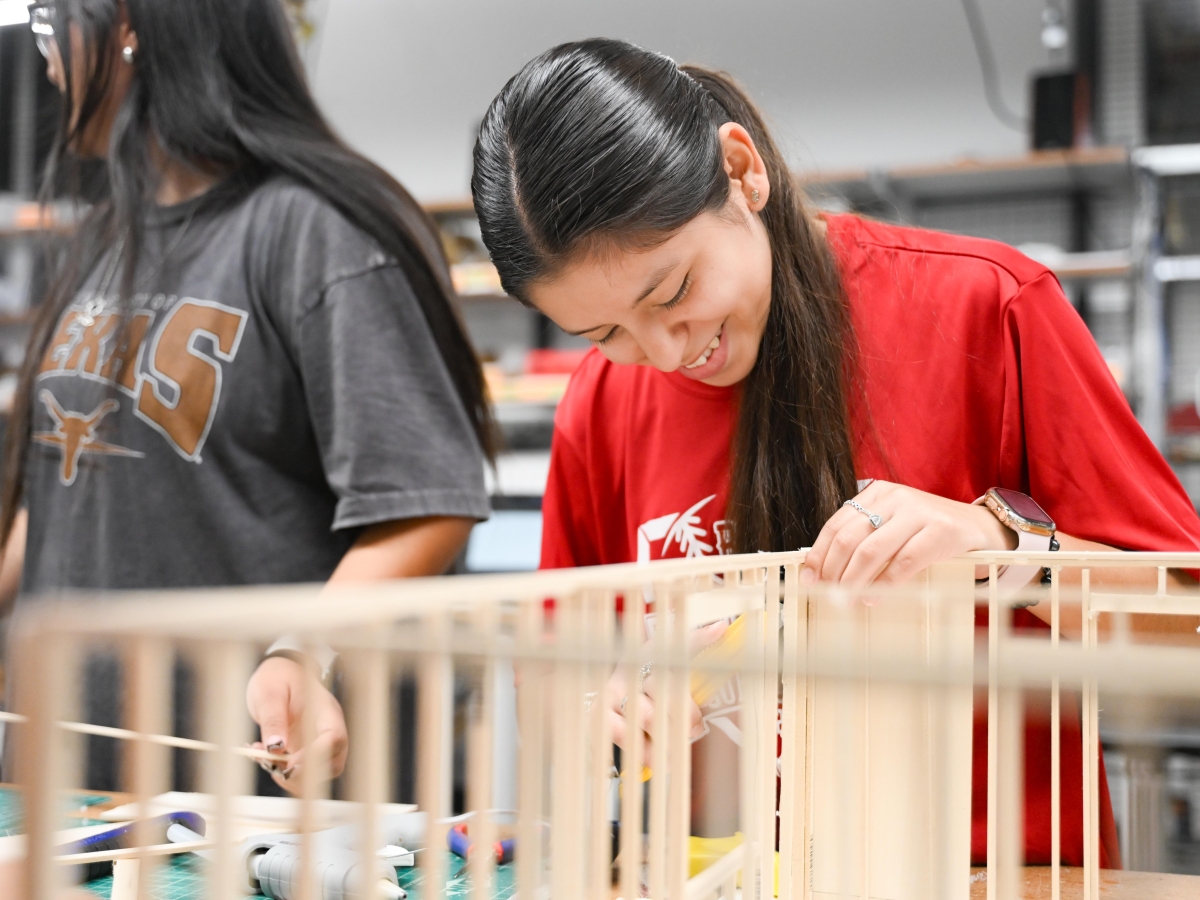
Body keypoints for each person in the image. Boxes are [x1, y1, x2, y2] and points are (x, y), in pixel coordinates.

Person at [470, 38, 1200, 866]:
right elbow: (553, 673)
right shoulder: (601, 401)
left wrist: (1008, 553)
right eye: (603, 333)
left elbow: (1184, 626)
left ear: (742, 172)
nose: (667, 353)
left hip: (986, 874)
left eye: (672, 292)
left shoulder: (986, 308)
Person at [0, 0, 492, 794]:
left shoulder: (312, 230)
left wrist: (302, 649)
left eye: (54, 29)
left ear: (129, 25)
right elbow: (53, 493)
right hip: (67, 778)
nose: (49, 62)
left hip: (235, 793)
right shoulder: (103, 237)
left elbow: (423, 502)